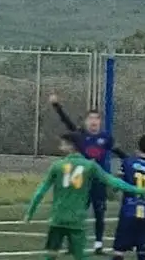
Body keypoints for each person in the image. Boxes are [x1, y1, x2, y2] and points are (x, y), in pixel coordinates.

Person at [26, 131, 145, 260]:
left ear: (71, 146)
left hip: (58, 217)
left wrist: (30, 212)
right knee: (81, 257)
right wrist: (138, 190)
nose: (60, 146)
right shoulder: (89, 166)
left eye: (63, 143)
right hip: (76, 219)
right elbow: (112, 181)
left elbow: (41, 190)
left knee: (50, 254)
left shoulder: (57, 166)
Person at [48, 95, 119, 251]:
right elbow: (67, 122)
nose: (93, 121)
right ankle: (71, 242)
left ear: (100, 122)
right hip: (81, 180)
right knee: (76, 210)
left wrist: (129, 164)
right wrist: (57, 106)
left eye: (96, 118)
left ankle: (98, 243)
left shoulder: (106, 138)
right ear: (86, 122)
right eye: (90, 118)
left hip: (98, 180)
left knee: (99, 211)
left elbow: (118, 151)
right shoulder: (80, 135)